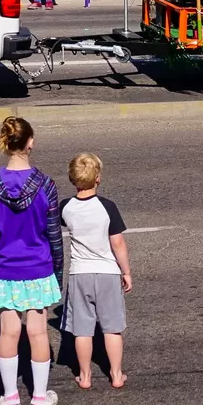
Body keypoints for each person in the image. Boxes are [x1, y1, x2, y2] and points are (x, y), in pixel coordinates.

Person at [0, 117, 62, 405]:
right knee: (38, 333)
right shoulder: (46, 185)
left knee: (8, 333)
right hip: (38, 264)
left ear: (6, 144)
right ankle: (39, 398)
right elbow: (53, 233)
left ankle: (11, 396)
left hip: (4, 265)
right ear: (30, 142)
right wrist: (57, 271)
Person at [60, 153, 132, 389]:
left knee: (82, 330)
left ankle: (85, 375)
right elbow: (118, 243)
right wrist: (126, 271)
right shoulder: (107, 207)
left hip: (80, 274)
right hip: (107, 273)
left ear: (72, 179)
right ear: (98, 179)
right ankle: (116, 374)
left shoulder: (66, 208)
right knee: (112, 328)